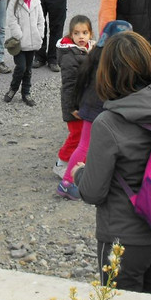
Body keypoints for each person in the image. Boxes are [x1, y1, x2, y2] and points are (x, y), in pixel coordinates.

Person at [74, 30, 151, 296]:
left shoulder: (108, 124)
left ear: (107, 73)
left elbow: (92, 192)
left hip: (125, 241)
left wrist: (78, 173)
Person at [56, 20, 130, 201]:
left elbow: (81, 82)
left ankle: (83, 178)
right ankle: (67, 182)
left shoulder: (95, 53)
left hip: (92, 105)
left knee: (91, 145)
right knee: (85, 145)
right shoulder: (113, 59)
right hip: (97, 107)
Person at [54, 14, 93, 181]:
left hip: (86, 104)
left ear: (90, 34)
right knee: (76, 136)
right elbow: (68, 86)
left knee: (86, 137)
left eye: (84, 32)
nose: (81, 37)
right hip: (75, 106)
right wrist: (72, 108)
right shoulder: (70, 57)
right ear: (71, 35)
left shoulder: (90, 51)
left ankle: (79, 164)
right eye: (77, 33)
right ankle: (61, 163)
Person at [4, 0, 44, 107]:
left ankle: (26, 93)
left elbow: (41, 21)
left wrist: (40, 35)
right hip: (20, 44)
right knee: (21, 67)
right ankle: (13, 88)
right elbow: (11, 20)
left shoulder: (37, 2)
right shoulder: (14, 1)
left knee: (28, 69)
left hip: (33, 42)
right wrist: (19, 35)